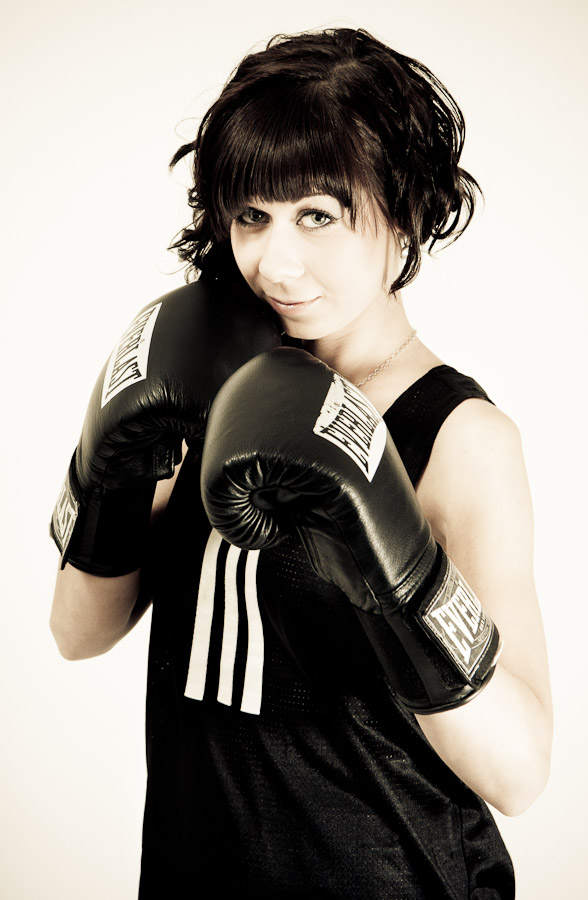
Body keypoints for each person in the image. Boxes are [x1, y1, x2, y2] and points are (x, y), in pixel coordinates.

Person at [50, 27, 552, 898]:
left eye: (318, 215)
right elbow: (77, 633)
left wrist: (398, 574)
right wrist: (113, 464)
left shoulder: (459, 436)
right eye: (253, 216)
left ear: (403, 213)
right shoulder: (201, 383)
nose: (276, 263)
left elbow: (520, 774)